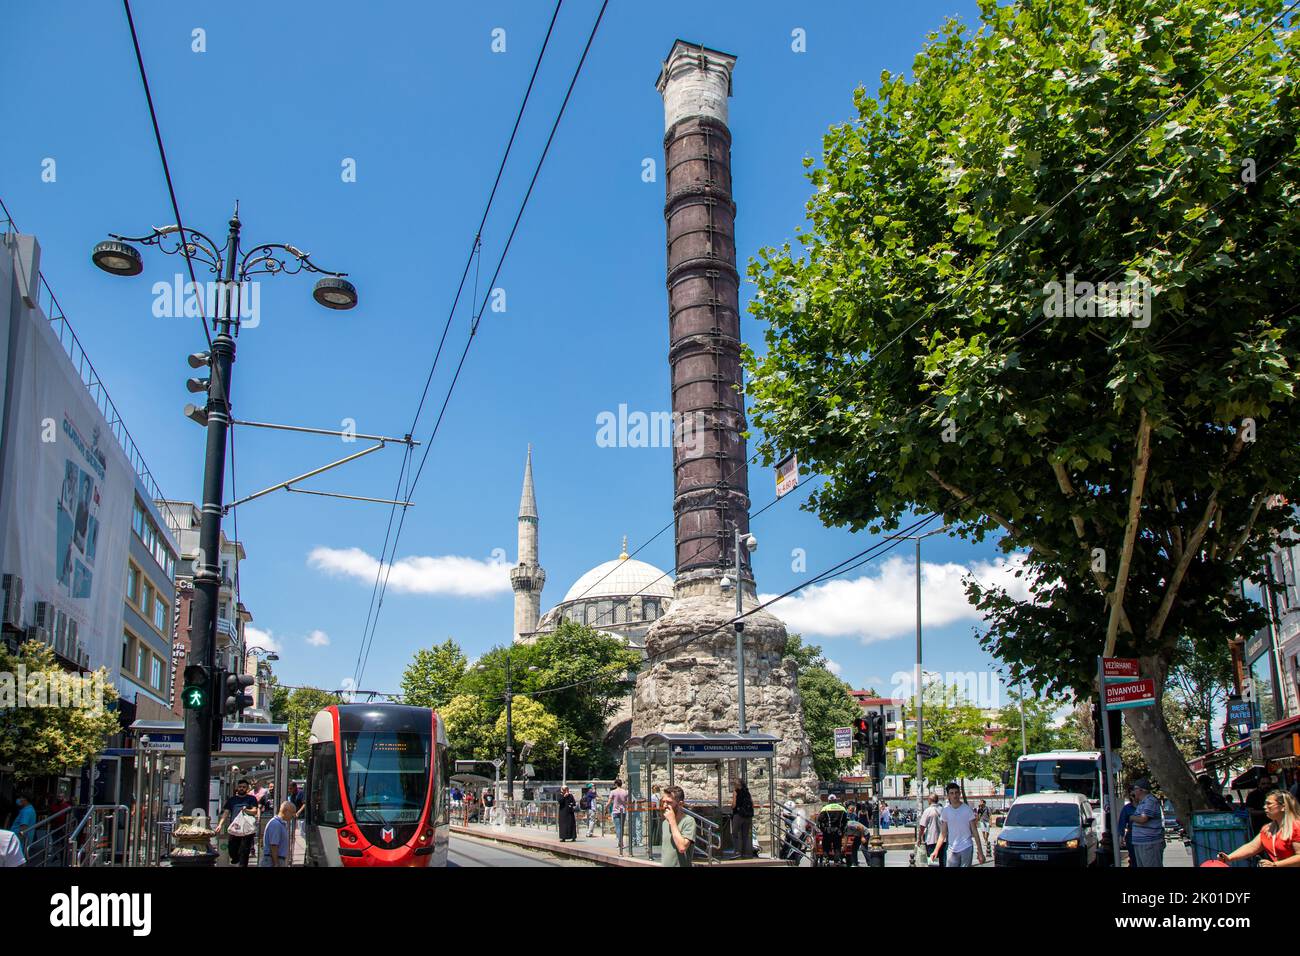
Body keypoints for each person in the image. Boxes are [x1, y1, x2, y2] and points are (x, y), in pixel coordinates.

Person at [1219, 790, 1300, 867]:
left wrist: (1275, 865)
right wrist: (1229, 858)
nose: (1265, 807)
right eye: (1265, 803)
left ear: (1283, 807)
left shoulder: (1296, 827)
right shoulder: (1267, 829)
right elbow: (1252, 847)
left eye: (1269, 804)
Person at [932, 783, 985, 868]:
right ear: (948, 795)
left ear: (960, 793)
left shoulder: (967, 809)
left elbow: (975, 831)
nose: (954, 795)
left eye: (956, 792)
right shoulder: (946, 811)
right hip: (952, 849)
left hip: (966, 847)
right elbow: (943, 834)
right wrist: (936, 850)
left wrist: (980, 852)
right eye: (951, 793)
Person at [217, 779, 260, 867]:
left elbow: (255, 811)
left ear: (247, 788)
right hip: (235, 829)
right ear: (237, 788)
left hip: (247, 830)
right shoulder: (232, 800)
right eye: (240, 787)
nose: (241, 789)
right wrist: (220, 824)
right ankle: (235, 858)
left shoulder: (251, 799)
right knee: (232, 849)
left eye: (244, 787)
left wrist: (246, 810)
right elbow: (226, 812)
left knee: (244, 852)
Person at [1128, 779, 1165, 868]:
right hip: (1141, 843)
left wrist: (1131, 817)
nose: (1133, 792)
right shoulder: (1142, 803)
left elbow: (1143, 819)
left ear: (1142, 790)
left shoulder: (1150, 801)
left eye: (1135, 789)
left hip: (1149, 844)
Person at [659, 785, 696, 867]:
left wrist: (672, 821)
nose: (664, 805)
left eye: (669, 802)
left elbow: (682, 847)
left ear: (680, 804)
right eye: (663, 801)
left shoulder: (688, 821)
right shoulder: (665, 822)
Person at [261, 801, 297, 867]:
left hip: (275, 859)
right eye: (292, 812)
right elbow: (274, 845)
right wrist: (276, 863)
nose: (294, 815)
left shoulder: (280, 824)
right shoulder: (276, 824)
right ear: (286, 811)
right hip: (272, 860)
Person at [817, 793, 848, 865]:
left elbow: (820, 819)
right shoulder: (842, 808)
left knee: (826, 845)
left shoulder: (825, 808)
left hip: (828, 831)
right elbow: (845, 821)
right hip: (838, 831)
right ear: (835, 800)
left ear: (828, 800)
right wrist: (842, 830)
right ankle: (837, 861)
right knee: (837, 846)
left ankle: (826, 859)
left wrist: (822, 829)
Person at [919, 794, 945, 868]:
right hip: (944, 840)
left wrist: (919, 838)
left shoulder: (927, 810)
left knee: (933, 862)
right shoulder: (943, 809)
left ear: (930, 800)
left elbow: (922, 826)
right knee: (942, 861)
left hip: (932, 840)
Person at [731, 780, 754, 859]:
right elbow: (752, 803)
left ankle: (737, 851)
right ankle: (744, 853)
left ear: (738, 785)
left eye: (734, 784)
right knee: (745, 835)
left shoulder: (736, 792)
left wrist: (732, 807)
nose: (734, 785)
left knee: (734, 833)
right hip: (747, 816)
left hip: (738, 815)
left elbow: (734, 804)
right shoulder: (747, 792)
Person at [1117, 786, 1138, 868]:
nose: (1133, 797)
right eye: (1131, 795)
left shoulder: (1144, 806)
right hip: (1132, 838)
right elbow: (1121, 823)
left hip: (1144, 837)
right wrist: (1121, 837)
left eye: (1134, 794)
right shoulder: (1127, 808)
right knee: (1134, 860)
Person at [609, 778, 629, 855]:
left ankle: (620, 842)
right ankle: (621, 842)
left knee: (618, 827)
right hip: (623, 811)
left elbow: (609, 802)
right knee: (622, 827)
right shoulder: (625, 792)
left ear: (616, 784)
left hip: (616, 811)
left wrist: (606, 808)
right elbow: (627, 801)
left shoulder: (613, 792)